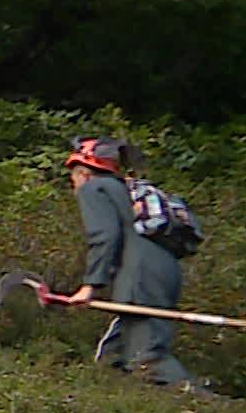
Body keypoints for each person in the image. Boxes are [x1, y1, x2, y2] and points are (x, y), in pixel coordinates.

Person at [62, 137, 197, 387]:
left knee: (147, 360)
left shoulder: (95, 188)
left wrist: (90, 286)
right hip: (163, 274)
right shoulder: (125, 189)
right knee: (112, 360)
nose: (73, 186)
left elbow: (105, 236)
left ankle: (204, 405)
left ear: (83, 173)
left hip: (142, 278)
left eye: (73, 178)